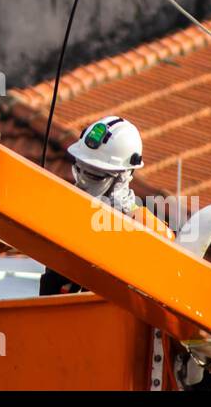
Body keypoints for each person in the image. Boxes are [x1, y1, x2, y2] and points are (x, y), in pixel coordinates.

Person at [39, 115, 146, 295]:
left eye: (94, 177)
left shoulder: (143, 228)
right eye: (78, 170)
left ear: (122, 178)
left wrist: (122, 215)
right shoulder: (64, 209)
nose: (81, 183)